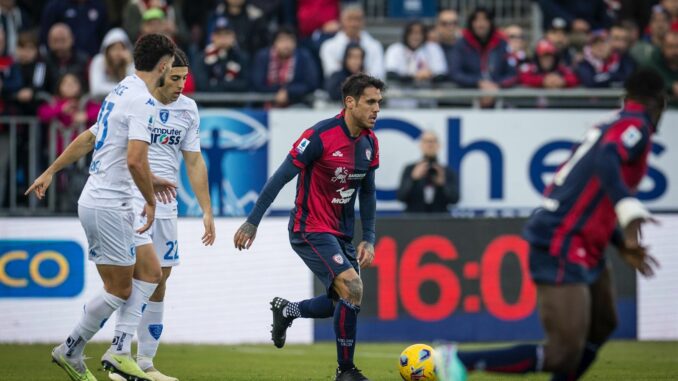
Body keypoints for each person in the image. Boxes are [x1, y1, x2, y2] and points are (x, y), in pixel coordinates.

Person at [435, 68, 664, 381]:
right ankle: (459, 360)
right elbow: (607, 159)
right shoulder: (635, 124)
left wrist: (619, 242)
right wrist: (628, 207)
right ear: (659, 103)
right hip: (563, 239)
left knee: (603, 322)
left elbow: (592, 193)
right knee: (562, 354)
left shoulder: (615, 121)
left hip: (583, 238)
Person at [25, 33, 176, 381]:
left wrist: (50, 169)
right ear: (164, 65)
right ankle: (71, 349)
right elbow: (136, 161)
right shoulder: (142, 101)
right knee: (119, 288)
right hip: (110, 204)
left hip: (108, 199)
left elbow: (92, 138)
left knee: (151, 272)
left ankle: (120, 350)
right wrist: (151, 201)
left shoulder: (122, 89)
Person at [233, 73, 383, 381]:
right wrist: (252, 221)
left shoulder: (370, 142)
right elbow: (280, 177)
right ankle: (346, 372)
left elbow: (367, 192)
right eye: (370, 102)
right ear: (350, 102)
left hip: (341, 232)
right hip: (309, 227)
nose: (376, 109)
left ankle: (288, 310)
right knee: (353, 287)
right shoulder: (319, 135)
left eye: (379, 102)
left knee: (342, 300)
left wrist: (368, 237)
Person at [107, 49, 215, 381]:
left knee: (159, 281)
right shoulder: (138, 102)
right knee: (132, 281)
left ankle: (145, 363)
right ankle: (119, 355)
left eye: (185, 78)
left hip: (166, 207)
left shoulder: (188, 109)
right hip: (132, 201)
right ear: (160, 73)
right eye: (175, 78)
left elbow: (194, 162)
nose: (182, 85)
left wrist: (207, 211)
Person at [251, 26, 319, 107]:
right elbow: (257, 84)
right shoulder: (263, 56)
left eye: (290, 40)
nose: (286, 45)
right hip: (263, 105)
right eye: (282, 40)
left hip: (296, 103)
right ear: (274, 43)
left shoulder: (304, 56)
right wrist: (278, 91)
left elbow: (311, 83)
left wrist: (288, 91)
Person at [397, 131, 459, 213]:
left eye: (433, 141)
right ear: (421, 145)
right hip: (414, 221)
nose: (430, 145)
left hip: (440, 222)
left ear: (439, 145)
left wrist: (442, 184)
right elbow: (401, 197)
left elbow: (455, 199)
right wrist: (413, 178)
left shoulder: (447, 171)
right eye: (426, 141)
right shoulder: (410, 169)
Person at [320, 4, 384, 79]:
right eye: (349, 19)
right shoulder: (328, 46)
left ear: (363, 22)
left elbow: (378, 75)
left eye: (358, 19)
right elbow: (332, 73)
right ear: (341, 21)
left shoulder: (375, 46)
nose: (354, 24)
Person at [192, 16, 249, 93]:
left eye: (227, 34)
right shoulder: (201, 57)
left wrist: (216, 83)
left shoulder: (241, 57)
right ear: (212, 37)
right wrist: (229, 84)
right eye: (219, 34)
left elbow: (245, 85)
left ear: (233, 36)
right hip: (208, 104)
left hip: (235, 104)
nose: (223, 38)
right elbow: (202, 86)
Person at [43, 23, 90, 94]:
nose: (59, 45)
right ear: (49, 42)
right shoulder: (43, 61)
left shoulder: (85, 60)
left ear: (72, 39)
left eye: (63, 40)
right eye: (55, 41)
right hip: (52, 103)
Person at [89, 28, 135, 98]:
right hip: (100, 103)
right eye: (114, 49)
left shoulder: (129, 63)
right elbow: (96, 90)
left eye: (121, 48)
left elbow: (134, 88)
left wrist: (130, 64)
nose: (117, 53)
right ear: (107, 50)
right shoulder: (99, 60)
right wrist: (125, 89)